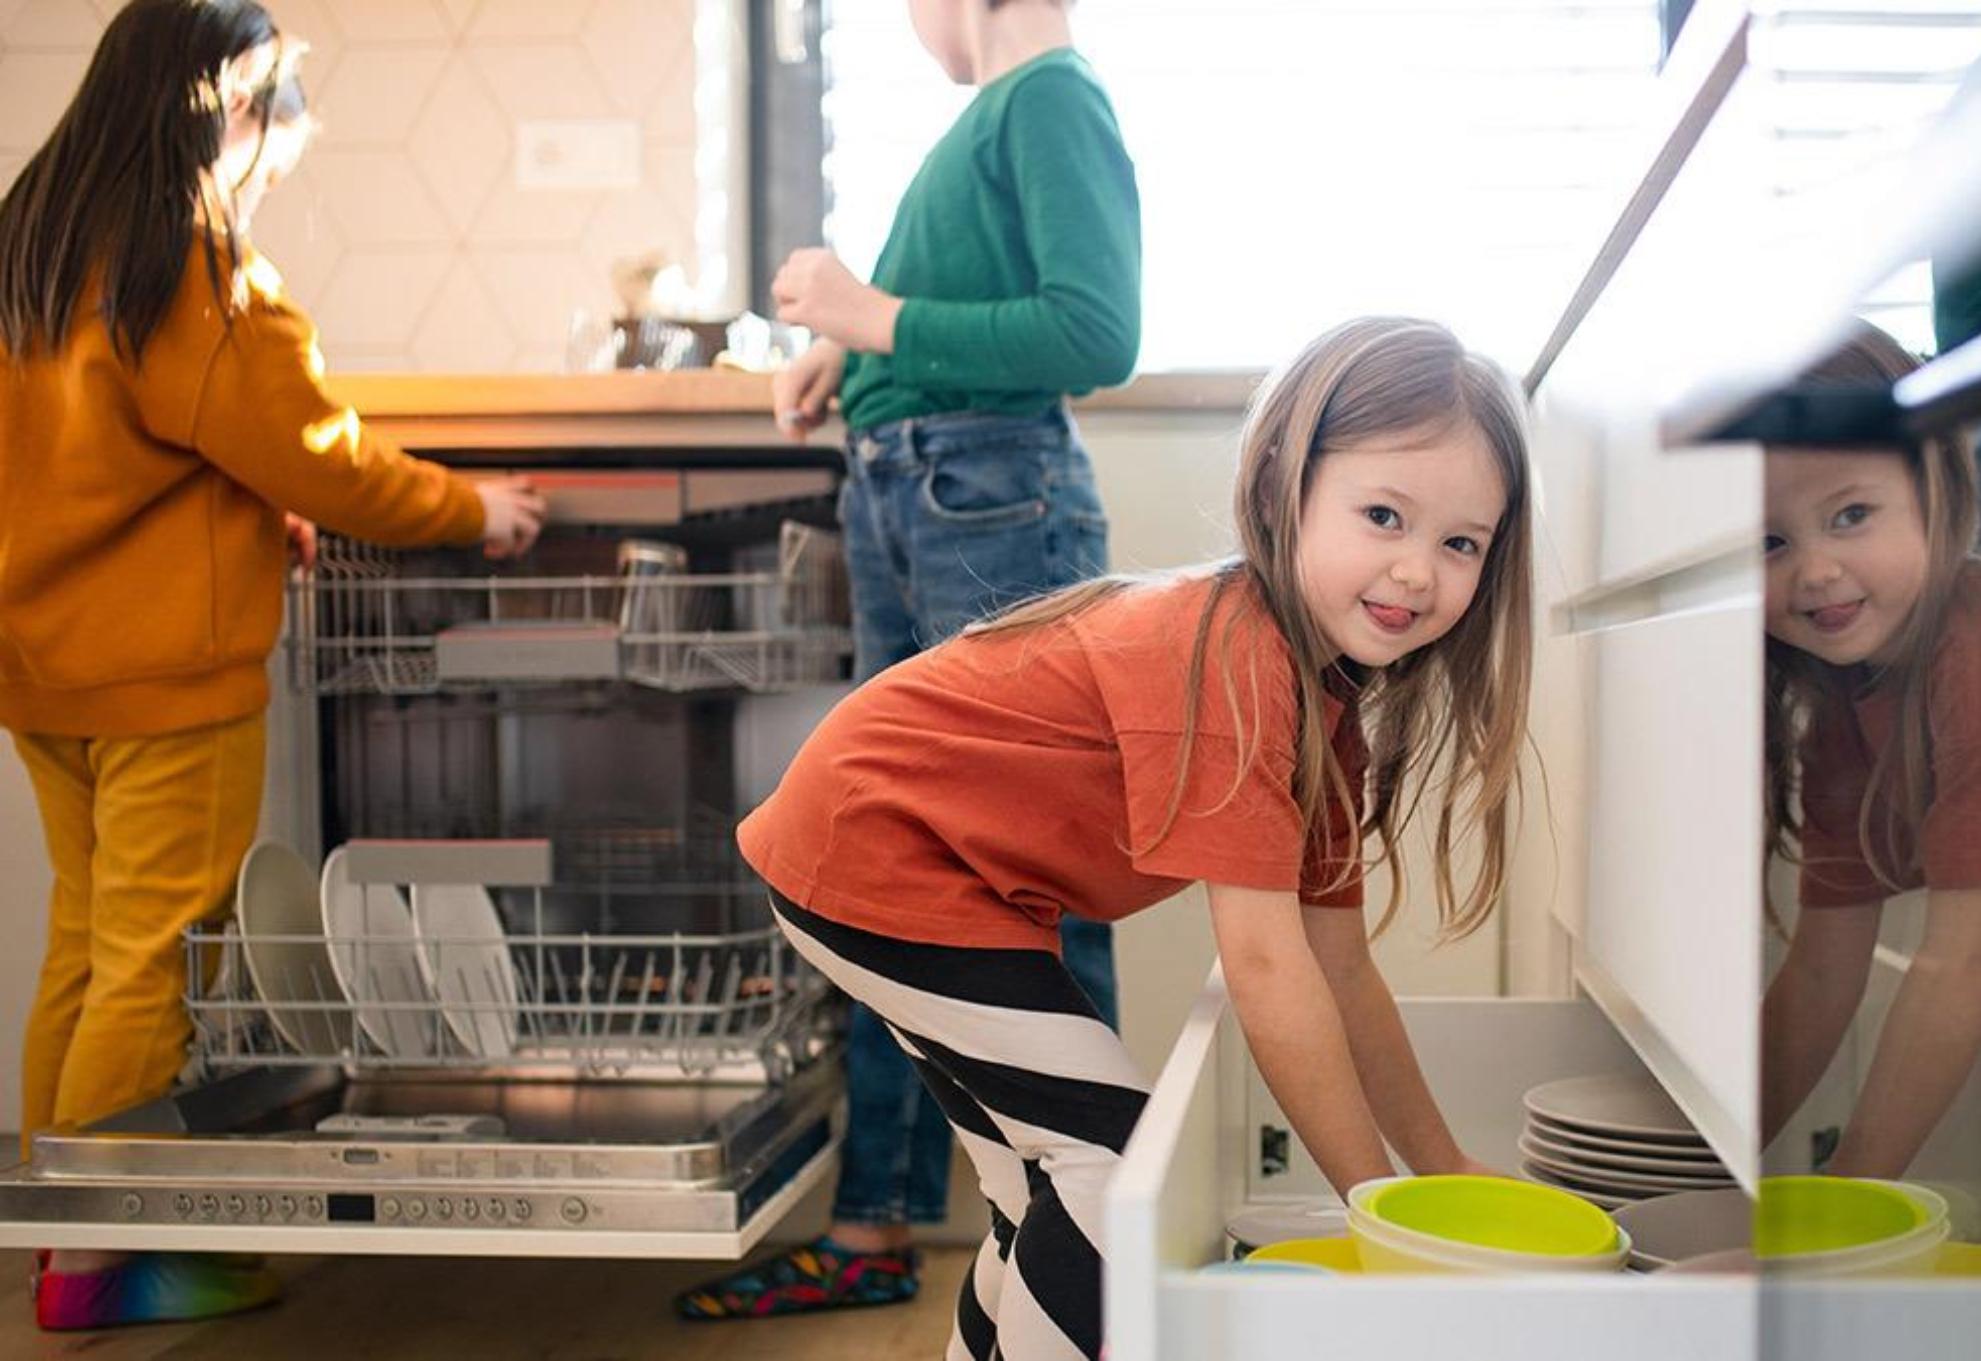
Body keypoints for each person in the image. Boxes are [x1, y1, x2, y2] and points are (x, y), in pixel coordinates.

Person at [736, 317, 1529, 1359]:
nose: (1417, 570)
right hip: (878, 847)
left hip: (924, 869)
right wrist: (1374, 1203)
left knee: (1045, 1178)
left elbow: (1340, 962)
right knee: (1106, 1164)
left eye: (1459, 542)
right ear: (1286, 488)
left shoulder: (1323, 716)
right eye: (1383, 514)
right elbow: (1263, 959)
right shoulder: (1232, 657)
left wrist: (1437, 1171)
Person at [0, 1, 544, 1331]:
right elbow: (318, 451)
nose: (261, 173)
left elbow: (122, 458)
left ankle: (57, 1244)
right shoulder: (182, 258)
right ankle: (107, 1259)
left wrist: (239, 512)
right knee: (155, 961)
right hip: (168, 681)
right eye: (264, 141)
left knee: (86, 947)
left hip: (42, 663)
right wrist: (477, 513)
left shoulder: (35, 235)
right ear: (229, 102)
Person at [678, 0, 1139, 1319]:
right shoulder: (995, 120)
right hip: (925, 489)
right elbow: (976, 317)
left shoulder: (1051, 97)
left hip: (979, 495)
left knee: (1024, 873)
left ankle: (1083, 1233)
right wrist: (850, 355)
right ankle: (890, 1218)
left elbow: (1093, 332)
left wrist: (868, 313)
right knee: (905, 869)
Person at [1760, 324, 1981, 1179]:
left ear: (1936, 492)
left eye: (1849, 514)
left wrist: (1849, 1194)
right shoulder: (1841, 707)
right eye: (1768, 543)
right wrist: (1696, 1169)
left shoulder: (1967, 660)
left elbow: (1961, 962)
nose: (1815, 572)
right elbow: (1820, 972)